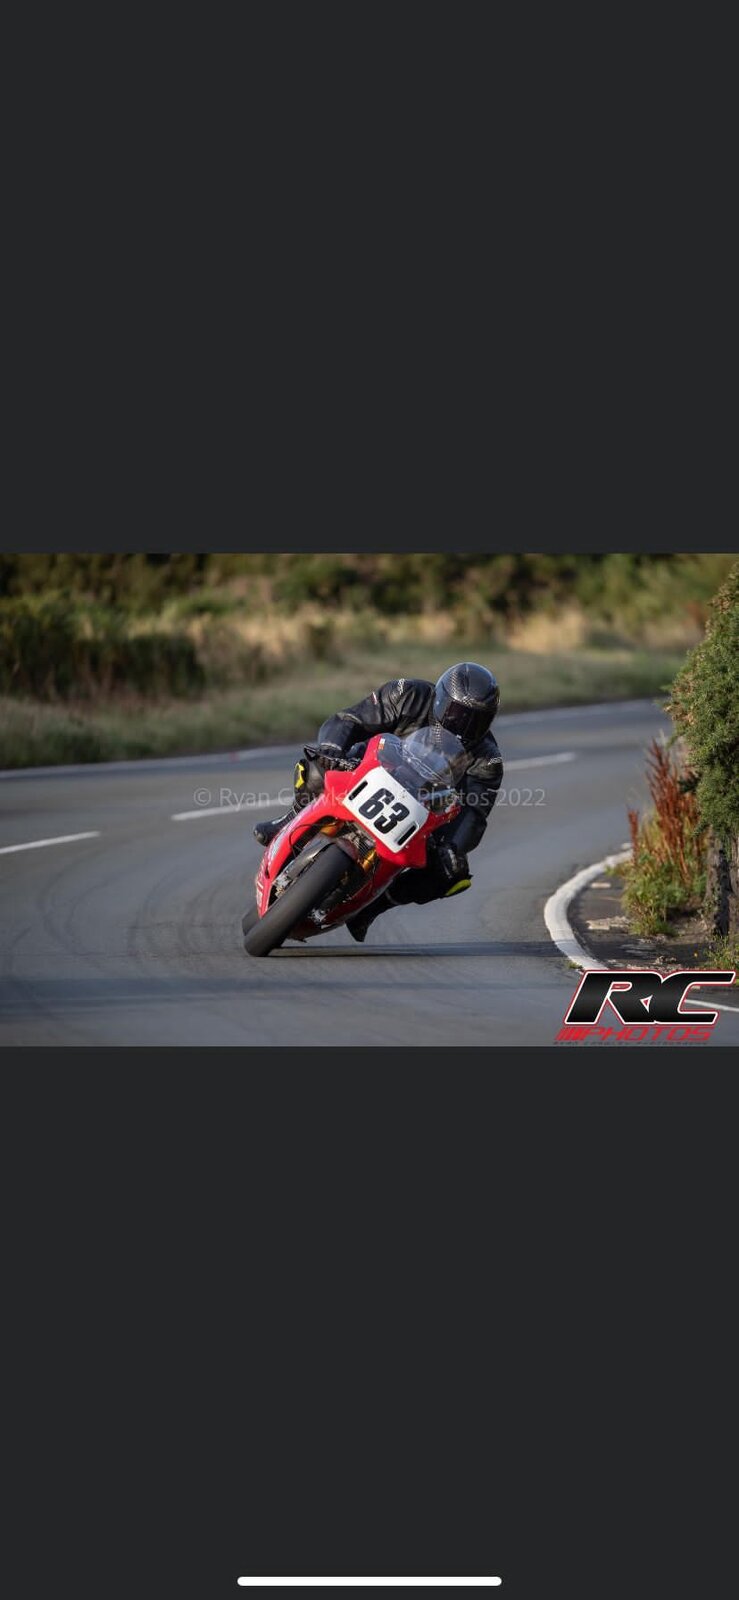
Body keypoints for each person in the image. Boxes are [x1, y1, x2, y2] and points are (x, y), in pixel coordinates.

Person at [254, 662, 503, 942]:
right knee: (315, 769)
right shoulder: (408, 695)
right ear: (440, 699)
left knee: (451, 874)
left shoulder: (488, 760)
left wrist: (452, 846)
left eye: (476, 721)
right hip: (366, 767)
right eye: (457, 714)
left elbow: (474, 814)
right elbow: (350, 719)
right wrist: (332, 749)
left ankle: (372, 908)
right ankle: (287, 821)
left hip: (423, 811)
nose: (463, 727)